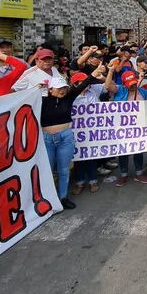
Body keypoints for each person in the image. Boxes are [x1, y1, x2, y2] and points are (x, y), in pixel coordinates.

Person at [42, 70, 102, 209]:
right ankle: (49, 199)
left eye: (64, 88)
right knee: (48, 170)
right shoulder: (41, 100)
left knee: (64, 170)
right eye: (59, 88)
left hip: (65, 137)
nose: (62, 91)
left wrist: (94, 73)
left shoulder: (69, 98)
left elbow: (82, 85)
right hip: (47, 139)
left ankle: (63, 197)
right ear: (50, 89)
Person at [104, 66, 147, 185]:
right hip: (122, 126)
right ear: (124, 84)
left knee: (138, 150)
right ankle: (123, 174)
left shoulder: (144, 92)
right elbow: (107, 86)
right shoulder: (120, 90)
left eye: (134, 83)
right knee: (123, 151)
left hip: (139, 126)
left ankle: (139, 173)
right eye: (130, 84)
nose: (133, 86)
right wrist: (110, 71)